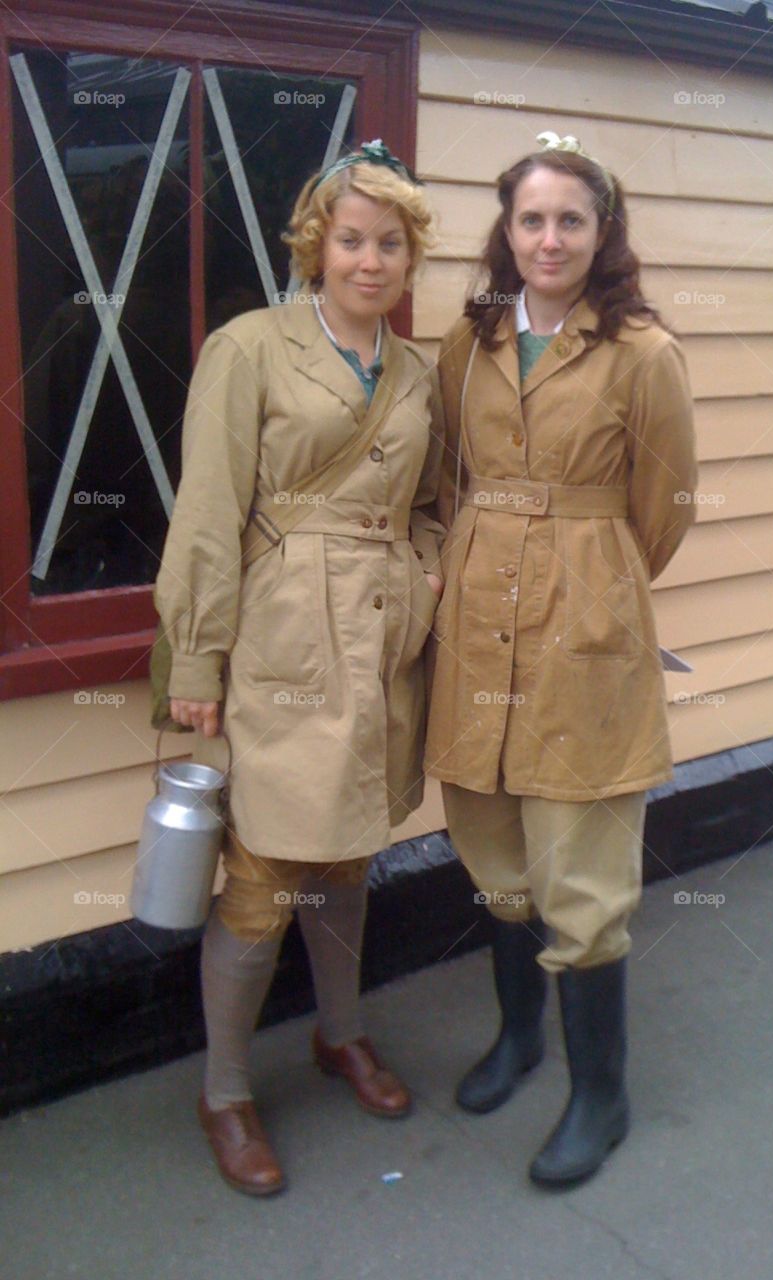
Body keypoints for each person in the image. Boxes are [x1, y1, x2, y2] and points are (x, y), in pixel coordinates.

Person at [154, 140, 444, 1196]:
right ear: (316, 244)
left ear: (413, 259)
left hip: (379, 648)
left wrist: (426, 578)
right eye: (353, 239)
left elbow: (430, 508)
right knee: (265, 873)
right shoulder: (251, 347)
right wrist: (197, 649)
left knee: (346, 856)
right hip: (280, 638)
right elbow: (208, 507)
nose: (371, 261)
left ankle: (339, 1033)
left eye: (393, 244)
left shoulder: (420, 372)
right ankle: (226, 1090)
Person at [425, 132, 698, 1188]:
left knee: (579, 864)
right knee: (493, 843)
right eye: (530, 218)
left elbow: (662, 511)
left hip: (585, 620)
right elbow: (449, 471)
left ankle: (602, 1092)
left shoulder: (643, 351)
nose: (548, 238)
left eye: (570, 220)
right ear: (507, 228)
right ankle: (518, 1037)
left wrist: (590, 574)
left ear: (602, 232)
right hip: (478, 611)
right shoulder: (472, 338)